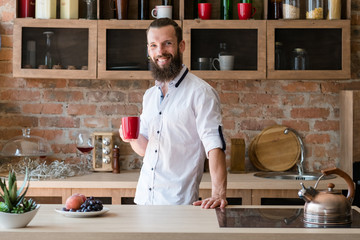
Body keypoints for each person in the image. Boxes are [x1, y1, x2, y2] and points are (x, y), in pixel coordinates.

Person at [119, 18, 227, 209]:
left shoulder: (200, 92)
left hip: (178, 204)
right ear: (148, 50)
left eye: (167, 43)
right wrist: (131, 138)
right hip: (144, 200)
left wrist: (218, 194)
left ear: (181, 46)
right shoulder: (150, 95)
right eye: (154, 45)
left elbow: (214, 145)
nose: (160, 51)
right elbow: (147, 149)